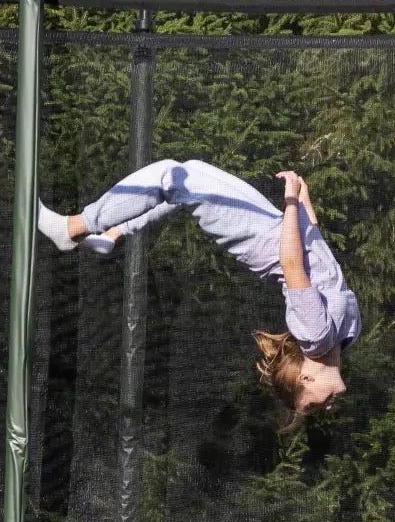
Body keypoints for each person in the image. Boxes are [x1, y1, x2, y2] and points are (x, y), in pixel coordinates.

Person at [38, 158, 359, 430]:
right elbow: (318, 252)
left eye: (315, 406)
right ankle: (112, 234)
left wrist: (290, 201)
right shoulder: (347, 334)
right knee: (185, 173)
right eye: (315, 408)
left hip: (253, 235)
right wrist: (303, 201)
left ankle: (73, 228)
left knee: (172, 176)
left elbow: (292, 263)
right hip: (271, 225)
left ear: (306, 379)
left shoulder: (315, 337)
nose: (328, 407)